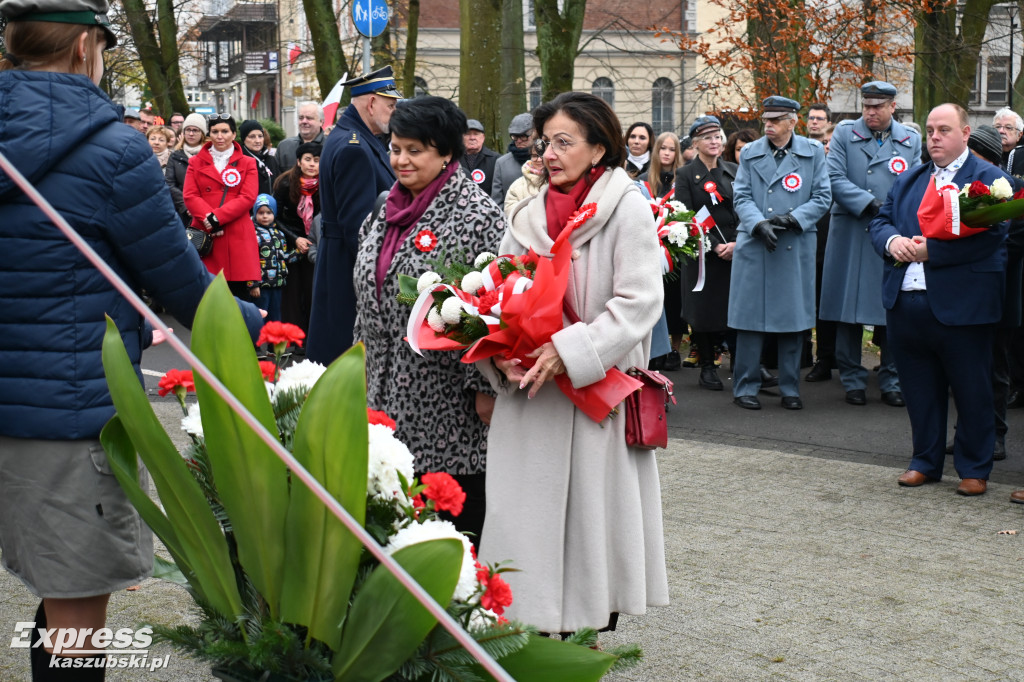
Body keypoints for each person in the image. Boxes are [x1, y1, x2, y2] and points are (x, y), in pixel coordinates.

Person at [0, 2, 263, 678]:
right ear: (87, 45)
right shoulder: (114, 150)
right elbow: (177, 279)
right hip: (67, 409)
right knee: (76, 617)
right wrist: (269, 333)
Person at [478, 91, 669, 633]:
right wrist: (501, 357)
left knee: (593, 527)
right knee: (526, 523)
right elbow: (499, 294)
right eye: (546, 143)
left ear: (599, 148)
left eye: (565, 142)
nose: (551, 153)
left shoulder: (626, 205)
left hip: (594, 397)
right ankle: (527, 629)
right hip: (531, 400)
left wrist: (570, 351)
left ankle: (585, 634)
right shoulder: (525, 214)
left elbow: (639, 301)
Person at [352, 96, 505, 543]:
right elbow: (366, 299)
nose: (400, 159)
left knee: (444, 540)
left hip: (447, 410)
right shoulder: (385, 211)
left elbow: (494, 314)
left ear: (446, 154)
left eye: (414, 150)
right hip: (380, 394)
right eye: (395, 148)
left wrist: (483, 388)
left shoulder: (478, 217)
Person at [869, 103, 1010, 496]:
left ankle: (974, 467)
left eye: (943, 130)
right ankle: (924, 461)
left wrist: (936, 252)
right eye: (930, 130)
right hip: (906, 302)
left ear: (965, 133)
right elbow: (880, 221)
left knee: (971, 389)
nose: (934, 137)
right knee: (919, 387)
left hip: (963, 304)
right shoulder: (911, 179)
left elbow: (993, 239)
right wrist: (892, 241)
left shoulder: (990, 179)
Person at [820, 81, 921, 407]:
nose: (871, 112)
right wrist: (869, 204)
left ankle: (892, 378)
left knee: (892, 306)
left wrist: (889, 212)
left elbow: (917, 184)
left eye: (878, 106)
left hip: (890, 234)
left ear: (893, 106)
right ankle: (852, 379)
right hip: (852, 229)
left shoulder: (910, 139)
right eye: (867, 106)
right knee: (847, 310)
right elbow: (833, 178)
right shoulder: (845, 135)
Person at [729, 96, 831, 411]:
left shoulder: (813, 153)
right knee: (749, 318)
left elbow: (823, 195)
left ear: (792, 122)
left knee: (793, 319)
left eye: (776, 120)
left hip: (793, 243)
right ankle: (745, 385)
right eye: (766, 120)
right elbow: (741, 194)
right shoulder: (750, 152)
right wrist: (757, 223)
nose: (768, 126)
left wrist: (794, 218)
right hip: (756, 242)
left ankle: (790, 388)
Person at [306, 65, 400, 364]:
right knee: (346, 354)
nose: (393, 112)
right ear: (371, 103)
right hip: (348, 268)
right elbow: (358, 230)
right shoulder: (354, 147)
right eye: (390, 105)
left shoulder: (350, 137)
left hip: (337, 260)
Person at [966, 125, 1024, 463]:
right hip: (967, 293)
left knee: (995, 367)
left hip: (1000, 292)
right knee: (966, 366)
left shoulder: (1011, 188)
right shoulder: (965, 187)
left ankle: (996, 435)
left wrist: (978, 256)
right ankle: (968, 432)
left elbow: (1015, 240)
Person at [675, 116, 738, 391]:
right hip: (703, 253)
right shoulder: (685, 174)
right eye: (708, 138)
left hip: (735, 251)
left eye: (718, 137)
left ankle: (741, 363)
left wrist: (736, 243)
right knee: (704, 311)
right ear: (696, 143)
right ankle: (708, 367)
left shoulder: (734, 170)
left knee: (733, 308)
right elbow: (685, 213)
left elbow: (744, 209)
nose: (714, 142)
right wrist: (715, 245)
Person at [183, 113, 261, 302]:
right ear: (208, 134)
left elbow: (248, 197)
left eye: (225, 131)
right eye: (215, 131)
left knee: (238, 298)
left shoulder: (248, 163)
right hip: (206, 234)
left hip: (236, 234)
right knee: (207, 298)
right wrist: (209, 218)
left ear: (234, 134)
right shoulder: (195, 162)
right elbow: (190, 195)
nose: (220, 136)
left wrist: (217, 218)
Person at [640, 132, 687, 370]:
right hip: (651, 249)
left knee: (674, 299)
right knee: (655, 298)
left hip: (675, 249)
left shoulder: (684, 179)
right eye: (663, 149)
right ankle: (656, 347)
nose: (667, 153)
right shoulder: (642, 180)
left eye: (672, 149)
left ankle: (676, 350)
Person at [273, 141, 320, 333]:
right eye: (307, 160)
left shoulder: (327, 183)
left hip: (315, 244)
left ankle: (312, 334)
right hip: (291, 244)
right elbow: (273, 217)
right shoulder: (285, 183)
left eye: (317, 160)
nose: (312, 164)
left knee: (312, 292)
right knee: (292, 293)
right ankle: (293, 335)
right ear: (299, 162)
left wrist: (313, 241)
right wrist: (295, 239)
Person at [251, 193, 291, 322]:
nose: (264, 216)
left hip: (277, 285)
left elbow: (284, 257)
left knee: (275, 318)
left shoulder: (279, 234)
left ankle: (274, 342)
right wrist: (253, 284)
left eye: (269, 212)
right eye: (261, 212)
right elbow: (250, 261)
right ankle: (254, 342)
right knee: (259, 317)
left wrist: (300, 253)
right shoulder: (252, 233)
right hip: (261, 287)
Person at [165, 112, 207, 225]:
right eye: (188, 130)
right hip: (182, 212)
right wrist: (187, 206)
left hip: (206, 211)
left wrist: (199, 207)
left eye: (195, 130)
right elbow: (169, 183)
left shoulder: (209, 155)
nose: (191, 133)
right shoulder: (175, 155)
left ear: (202, 133)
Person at [491, 112, 534, 205]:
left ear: (535, 134)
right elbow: (497, 202)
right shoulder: (501, 163)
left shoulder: (545, 159)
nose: (518, 141)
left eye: (523, 136)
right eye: (515, 136)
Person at [276, 101, 324, 170]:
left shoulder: (331, 146)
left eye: (309, 118)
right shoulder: (284, 147)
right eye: (301, 118)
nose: (304, 121)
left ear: (321, 122)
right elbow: (277, 178)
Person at [503, 136, 545, 214]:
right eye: (535, 156)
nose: (539, 160)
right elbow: (509, 212)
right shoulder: (516, 186)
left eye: (541, 155)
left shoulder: (559, 181)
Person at [239, 118, 280, 195]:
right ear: (244, 139)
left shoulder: (271, 160)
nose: (257, 141)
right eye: (252, 137)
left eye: (260, 136)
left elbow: (278, 186)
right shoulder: (239, 160)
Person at [462, 118, 499, 196]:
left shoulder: (496, 160)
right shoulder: (453, 159)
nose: (472, 138)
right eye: (468, 134)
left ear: (483, 137)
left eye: (476, 134)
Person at [993, 107, 1024, 178]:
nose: (1001, 131)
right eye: (997, 126)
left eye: (1008, 127)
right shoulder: (984, 152)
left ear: (1019, 135)